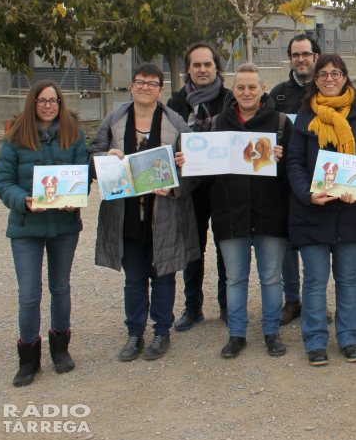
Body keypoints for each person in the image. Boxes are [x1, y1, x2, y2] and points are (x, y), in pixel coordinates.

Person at [177, 63, 293, 359]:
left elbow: (295, 169)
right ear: (233, 89)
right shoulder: (216, 124)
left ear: (263, 88)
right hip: (230, 214)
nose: (246, 92)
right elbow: (202, 169)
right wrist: (185, 161)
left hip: (270, 215)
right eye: (240, 87)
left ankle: (271, 332)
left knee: (271, 278)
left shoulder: (280, 123)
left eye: (252, 86)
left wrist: (284, 156)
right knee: (234, 279)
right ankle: (237, 334)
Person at [89, 63, 200, 362]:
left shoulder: (175, 121)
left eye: (152, 83)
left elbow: (196, 164)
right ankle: (135, 333)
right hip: (125, 215)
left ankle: (161, 331)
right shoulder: (114, 119)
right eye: (140, 82)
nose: (145, 88)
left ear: (161, 90)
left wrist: (180, 173)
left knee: (164, 276)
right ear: (132, 86)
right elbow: (92, 154)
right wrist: (104, 157)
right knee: (134, 279)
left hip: (164, 215)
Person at [0, 80, 89, 386]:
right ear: (32, 103)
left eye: (54, 100)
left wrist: (73, 199)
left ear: (60, 104)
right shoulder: (15, 138)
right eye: (42, 100)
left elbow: (82, 176)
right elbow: (2, 181)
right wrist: (23, 200)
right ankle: (29, 358)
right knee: (29, 294)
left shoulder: (73, 136)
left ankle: (60, 351)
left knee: (60, 288)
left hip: (63, 227)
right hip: (26, 228)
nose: (48, 105)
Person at [286, 54, 356, 366]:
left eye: (335, 73)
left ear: (345, 77)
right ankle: (314, 341)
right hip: (311, 211)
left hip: (350, 212)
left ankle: (349, 338)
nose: (329, 79)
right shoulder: (303, 118)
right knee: (314, 280)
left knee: (348, 278)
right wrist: (307, 194)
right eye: (322, 74)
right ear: (315, 80)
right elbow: (294, 163)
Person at [166, 42, 232, 330]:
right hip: (190, 188)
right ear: (188, 69)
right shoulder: (176, 103)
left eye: (208, 64)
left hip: (225, 185)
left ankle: (228, 306)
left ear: (216, 66)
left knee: (226, 248)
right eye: (197, 65)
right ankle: (192, 307)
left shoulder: (231, 99)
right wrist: (174, 154)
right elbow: (165, 144)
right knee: (193, 249)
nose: (203, 69)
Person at [270, 33, 322, 326]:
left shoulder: (329, 88)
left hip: (320, 180)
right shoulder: (277, 95)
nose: (300, 59)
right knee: (288, 244)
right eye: (294, 55)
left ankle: (317, 300)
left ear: (316, 56)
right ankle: (292, 299)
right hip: (283, 182)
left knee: (318, 241)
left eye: (305, 54)